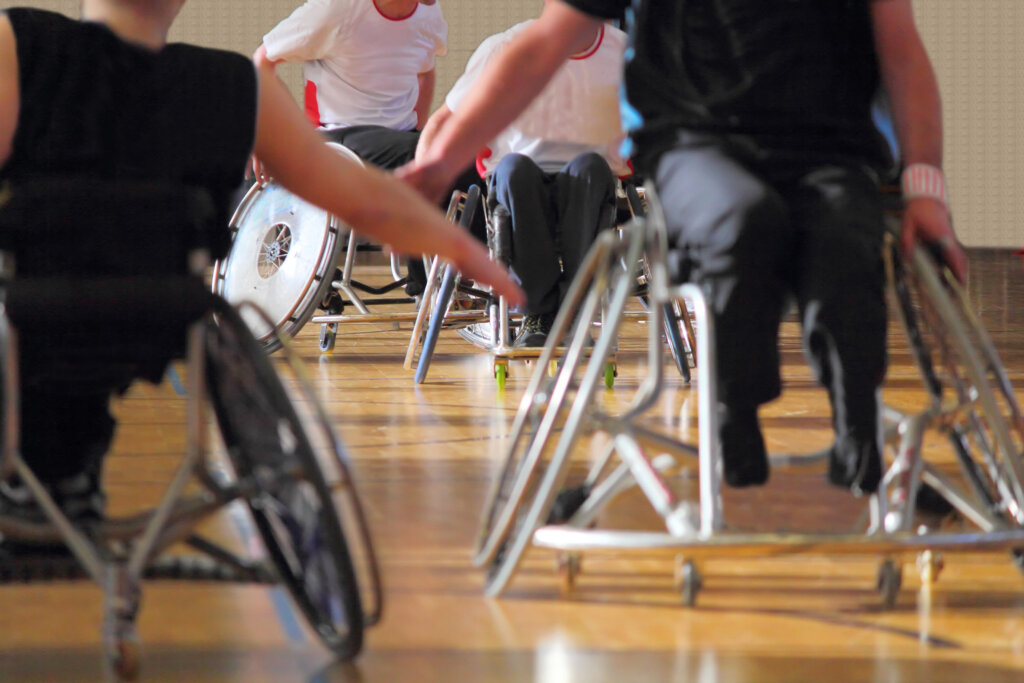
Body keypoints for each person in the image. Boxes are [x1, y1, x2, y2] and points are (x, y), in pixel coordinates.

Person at [400, 0, 967, 495]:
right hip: (701, 141)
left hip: (828, 149)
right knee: (742, 222)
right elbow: (544, 44)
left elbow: (901, 50)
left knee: (844, 237)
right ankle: (734, 405)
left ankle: (857, 422)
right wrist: (439, 164)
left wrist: (926, 190)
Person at [0, 0, 521, 525]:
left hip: (28, 310)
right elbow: (368, 202)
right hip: (164, 323)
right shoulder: (232, 85)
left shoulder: (18, 42)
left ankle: (51, 473)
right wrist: (477, 257)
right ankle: (66, 473)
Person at [418, 16, 628, 347]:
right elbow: (444, 118)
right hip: (517, 178)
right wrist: (422, 180)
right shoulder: (505, 46)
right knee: (515, 168)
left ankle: (574, 309)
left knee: (590, 166)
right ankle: (538, 312)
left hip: (588, 179)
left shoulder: (624, 51)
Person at [254, 0, 480, 293]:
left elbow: (425, 73)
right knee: (422, 155)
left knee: (464, 158)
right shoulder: (336, 9)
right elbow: (261, 62)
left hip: (396, 140)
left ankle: (456, 279)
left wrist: (417, 131)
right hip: (336, 137)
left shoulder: (428, 13)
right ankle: (432, 284)